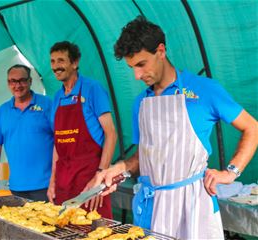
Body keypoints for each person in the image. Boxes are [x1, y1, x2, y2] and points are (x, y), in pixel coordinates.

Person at [94, 16, 258, 239]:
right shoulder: (140, 103)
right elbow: (144, 155)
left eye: (141, 64)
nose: (137, 75)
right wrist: (120, 168)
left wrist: (231, 173)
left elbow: (252, 128)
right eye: (132, 67)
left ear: (160, 51)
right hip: (152, 207)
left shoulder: (204, 91)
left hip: (193, 208)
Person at [47, 41, 117, 219]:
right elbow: (58, 143)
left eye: (61, 60)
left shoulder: (93, 89)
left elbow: (111, 134)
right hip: (63, 179)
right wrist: (52, 181)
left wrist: (100, 176)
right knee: (63, 229)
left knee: (93, 230)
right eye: (53, 61)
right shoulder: (57, 97)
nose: (56, 67)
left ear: (75, 62)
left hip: (89, 178)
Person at [0, 64, 53, 201]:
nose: (17, 85)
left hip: (46, 186)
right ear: (8, 83)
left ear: (30, 81)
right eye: (13, 81)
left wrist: (56, 180)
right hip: (16, 187)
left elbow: (61, 142)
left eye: (22, 80)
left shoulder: (47, 104)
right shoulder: (3, 111)